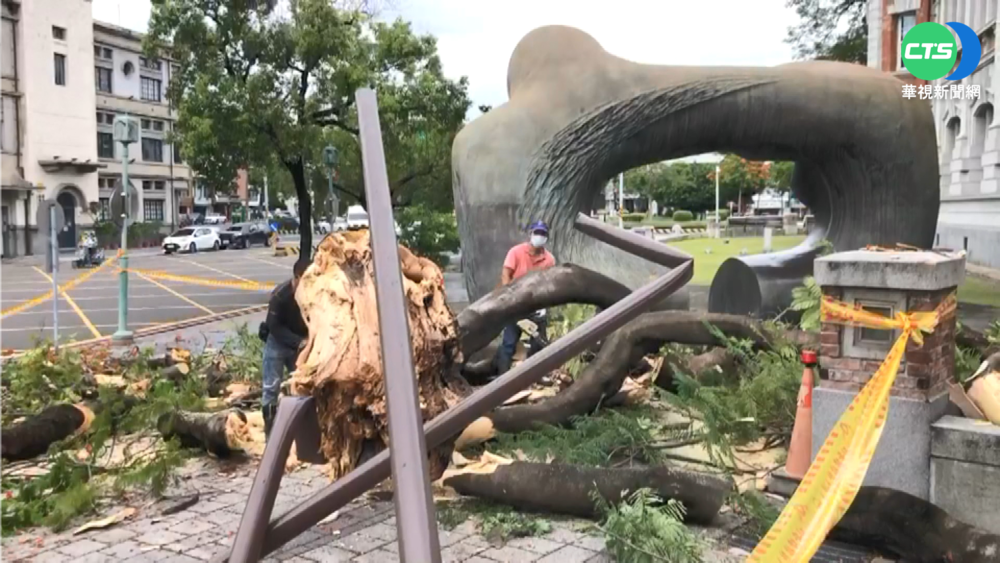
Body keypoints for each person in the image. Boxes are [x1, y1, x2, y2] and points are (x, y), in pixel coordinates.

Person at [494, 220, 556, 375]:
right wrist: (508, 297)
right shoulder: (516, 252)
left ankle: (534, 376)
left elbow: (550, 283)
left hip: (536, 305)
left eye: (543, 234)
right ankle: (502, 378)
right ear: (531, 234)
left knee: (538, 343)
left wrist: (545, 306)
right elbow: (506, 274)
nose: (539, 237)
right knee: (509, 342)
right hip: (516, 303)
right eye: (537, 233)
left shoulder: (549, 259)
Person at [259, 259, 310, 436]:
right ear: (296, 278)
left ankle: (300, 434)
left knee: (302, 386)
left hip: (300, 345)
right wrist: (298, 342)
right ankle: (270, 435)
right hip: (278, 342)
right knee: (271, 387)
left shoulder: (313, 295)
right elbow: (274, 325)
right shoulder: (280, 295)